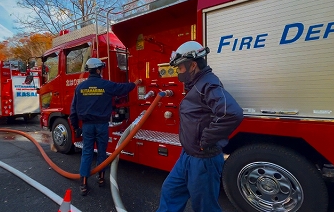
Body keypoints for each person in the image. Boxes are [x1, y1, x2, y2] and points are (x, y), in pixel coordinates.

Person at [157, 41, 243, 212]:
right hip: (187, 155)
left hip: (203, 160)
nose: (178, 73)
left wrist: (205, 140)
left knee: (205, 207)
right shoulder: (197, 84)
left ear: (193, 65)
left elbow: (232, 113)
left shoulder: (208, 84)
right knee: (170, 191)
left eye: (180, 68)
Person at [69, 58, 142, 196]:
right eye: (101, 69)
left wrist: (75, 127)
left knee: (87, 153)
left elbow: (73, 111)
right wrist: (135, 83)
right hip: (102, 125)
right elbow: (122, 89)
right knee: (102, 152)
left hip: (87, 126)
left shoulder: (80, 87)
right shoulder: (105, 85)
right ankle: (101, 178)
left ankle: (83, 184)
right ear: (98, 70)